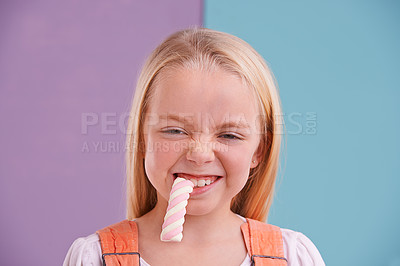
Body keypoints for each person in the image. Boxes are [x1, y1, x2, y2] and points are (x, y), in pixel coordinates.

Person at [64, 28, 325, 266]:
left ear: (259, 151)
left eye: (229, 135)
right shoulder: (94, 257)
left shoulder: (293, 257)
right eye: (175, 131)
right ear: (142, 139)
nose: (199, 155)